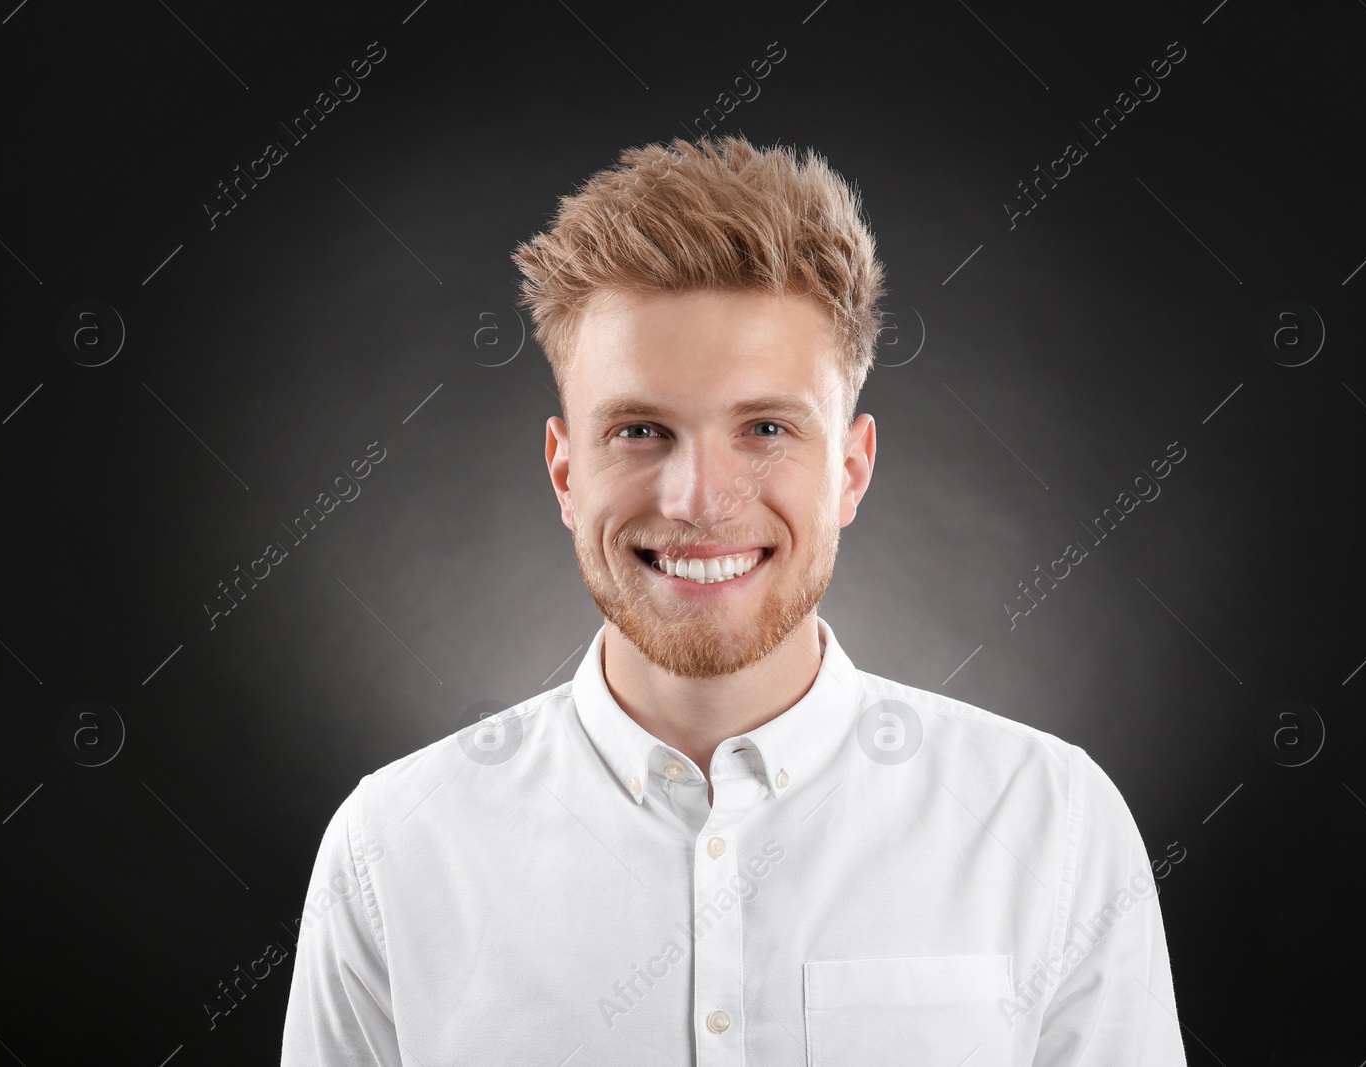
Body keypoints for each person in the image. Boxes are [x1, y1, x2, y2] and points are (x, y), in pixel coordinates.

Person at [280, 134, 1187, 1066]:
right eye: (639, 428)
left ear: (850, 468)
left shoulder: (1052, 823)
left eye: (764, 427)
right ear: (564, 471)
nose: (699, 500)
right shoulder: (391, 847)